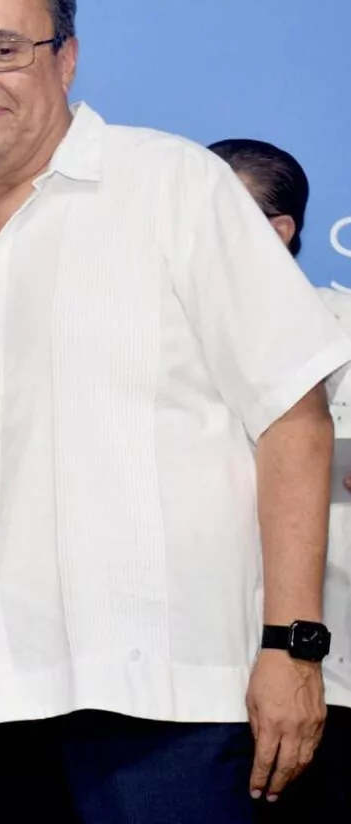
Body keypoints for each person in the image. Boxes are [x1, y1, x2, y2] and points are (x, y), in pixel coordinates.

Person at [0, 0, 351, 823]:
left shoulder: (174, 186)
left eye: (4, 48)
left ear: (66, 56)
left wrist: (292, 644)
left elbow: (293, 416)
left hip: (179, 708)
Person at [210, 136, 351, 823]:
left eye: (216, 219)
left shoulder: (341, 328)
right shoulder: (158, 341)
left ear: (279, 231)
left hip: (328, 678)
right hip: (188, 687)